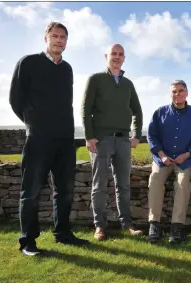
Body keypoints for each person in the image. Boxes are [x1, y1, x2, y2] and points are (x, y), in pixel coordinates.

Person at [9, 22, 88, 256]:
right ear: (46, 38)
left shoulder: (67, 69)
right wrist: (34, 123)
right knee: (31, 191)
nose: (59, 40)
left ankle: (62, 233)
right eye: (55, 36)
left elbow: (66, 104)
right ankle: (28, 242)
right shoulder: (28, 63)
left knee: (65, 190)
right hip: (39, 139)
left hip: (65, 139)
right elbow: (15, 99)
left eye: (63, 37)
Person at [81, 44, 144, 241]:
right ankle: (99, 226)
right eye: (113, 54)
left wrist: (136, 136)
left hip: (123, 140)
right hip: (101, 139)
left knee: (123, 184)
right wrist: (89, 136)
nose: (117, 57)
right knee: (99, 184)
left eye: (120, 54)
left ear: (124, 58)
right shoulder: (96, 79)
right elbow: (85, 108)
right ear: (106, 57)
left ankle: (127, 224)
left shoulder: (128, 84)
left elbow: (138, 111)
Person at [146, 80, 191, 244]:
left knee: (183, 183)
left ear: (187, 92)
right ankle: (154, 225)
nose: (177, 94)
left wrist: (187, 154)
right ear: (170, 94)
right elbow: (151, 136)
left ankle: (176, 227)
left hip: (186, 159)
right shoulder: (160, 112)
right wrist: (162, 155)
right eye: (174, 91)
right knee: (155, 178)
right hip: (163, 157)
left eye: (181, 91)